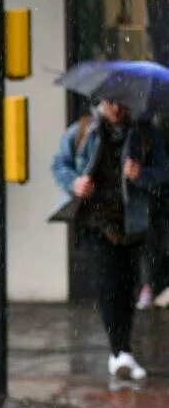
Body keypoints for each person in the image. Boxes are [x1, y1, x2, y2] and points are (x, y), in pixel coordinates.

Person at [51, 97, 168, 383]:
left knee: (127, 286)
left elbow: (163, 172)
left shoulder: (144, 133)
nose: (118, 109)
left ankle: (122, 349)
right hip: (96, 222)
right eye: (112, 102)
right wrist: (75, 183)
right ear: (102, 101)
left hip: (132, 222)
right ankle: (120, 351)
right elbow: (59, 165)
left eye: (123, 104)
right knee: (109, 284)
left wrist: (141, 174)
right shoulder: (83, 130)